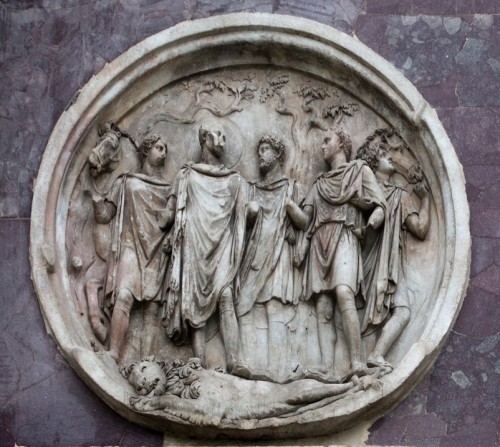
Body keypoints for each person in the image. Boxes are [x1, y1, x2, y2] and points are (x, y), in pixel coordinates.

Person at [296, 127, 387, 376]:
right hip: (319, 242)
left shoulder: (359, 171)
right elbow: (306, 219)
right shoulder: (320, 183)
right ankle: (326, 366)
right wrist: (288, 207)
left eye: (328, 140)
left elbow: (380, 203)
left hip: (346, 234)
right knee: (324, 304)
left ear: (342, 144)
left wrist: (374, 218)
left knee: (344, 292)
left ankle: (356, 361)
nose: (323, 145)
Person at [165, 122, 247, 374]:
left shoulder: (234, 180)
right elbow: (171, 212)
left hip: (222, 243)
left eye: (224, 134)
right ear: (204, 139)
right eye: (217, 134)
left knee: (225, 296)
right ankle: (198, 358)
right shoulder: (187, 175)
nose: (222, 139)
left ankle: (236, 360)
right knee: (192, 299)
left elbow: (242, 213)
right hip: (194, 240)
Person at [93, 134, 174, 362]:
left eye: (166, 149)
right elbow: (105, 214)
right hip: (130, 244)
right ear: (146, 150)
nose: (164, 152)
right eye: (159, 147)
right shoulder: (127, 181)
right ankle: (114, 351)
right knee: (125, 296)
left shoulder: (170, 189)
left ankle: (148, 362)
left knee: (151, 308)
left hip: (158, 248)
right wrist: (95, 186)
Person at [357, 131, 430, 368]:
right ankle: (371, 355)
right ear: (372, 162)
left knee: (401, 312)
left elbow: (419, 229)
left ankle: (374, 355)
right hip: (367, 258)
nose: (389, 157)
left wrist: (425, 199)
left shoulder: (400, 196)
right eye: (382, 153)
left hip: (389, 262)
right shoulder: (364, 193)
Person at [236, 135, 307, 381]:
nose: (261, 155)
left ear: (278, 154)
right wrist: (250, 215)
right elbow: (239, 224)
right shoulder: (251, 189)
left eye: (266, 149)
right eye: (259, 150)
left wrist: (290, 210)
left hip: (279, 253)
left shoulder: (292, 188)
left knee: (274, 307)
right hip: (252, 255)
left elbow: (305, 223)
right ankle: (251, 366)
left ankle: (278, 370)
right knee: (245, 305)